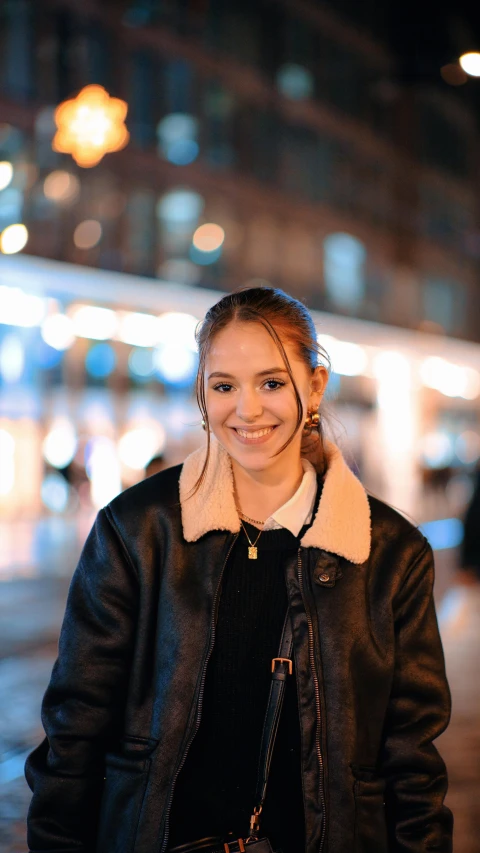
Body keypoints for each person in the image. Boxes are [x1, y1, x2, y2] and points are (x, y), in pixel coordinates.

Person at [25, 287, 453, 853]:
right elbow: (75, 728)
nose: (247, 410)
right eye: (224, 385)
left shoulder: (390, 552)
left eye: (272, 383)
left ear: (316, 385)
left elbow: (413, 759)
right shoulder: (138, 530)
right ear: (202, 393)